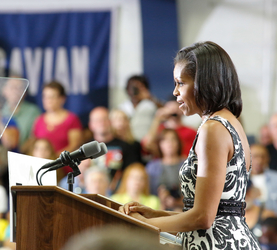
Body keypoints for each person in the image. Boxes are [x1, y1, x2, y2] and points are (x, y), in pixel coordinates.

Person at [119, 41, 261, 249]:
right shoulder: (230, 121)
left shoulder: (213, 129)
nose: (175, 92)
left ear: (204, 83)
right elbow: (219, 209)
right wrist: (155, 214)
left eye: (180, 83)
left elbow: (203, 218)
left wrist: (144, 225)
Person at [29, 81, 82, 173]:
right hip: (43, 169)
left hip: (64, 168)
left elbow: (74, 145)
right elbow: (34, 144)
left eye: (52, 97)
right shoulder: (39, 120)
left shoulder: (71, 120)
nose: (48, 100)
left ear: (62, 99)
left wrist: (54, 158)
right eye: (45, 96)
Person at [88, 107, 141, 193]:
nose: (102, 123)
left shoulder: (125, 146)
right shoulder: (86, 148)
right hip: (93, 189)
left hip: (120, 191)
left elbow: (132, 171)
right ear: (91, 125)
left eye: (105, 119)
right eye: (97, 120)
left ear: (110, 122)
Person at [118, 75, 162, 142]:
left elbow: (166, 110)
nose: (135, 90)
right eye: (133, 87)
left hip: (147, 143)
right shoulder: (122, 107)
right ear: (127, 89)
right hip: (128, 143)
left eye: (139, 87)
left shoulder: (151, 104)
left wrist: (150, 97)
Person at [250, 144, 277, 214]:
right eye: (255, 156)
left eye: (263, 157)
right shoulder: (241, 180)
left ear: (268, 158)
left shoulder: (275, 178)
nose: (259, 160)